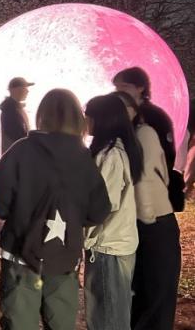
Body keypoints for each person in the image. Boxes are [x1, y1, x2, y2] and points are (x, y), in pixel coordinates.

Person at [0, 89, 110, 330]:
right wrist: (71, 220)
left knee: (19, 322)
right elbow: (99, 210)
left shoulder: (20, 150)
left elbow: (1, 204)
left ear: (42, 115)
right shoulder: (83, 157)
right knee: (61, 322)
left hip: (20, 252)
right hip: (64, 257)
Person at [111, 91, 181, 330]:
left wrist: (145, 217)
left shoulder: (141, 135)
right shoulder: (130, 138)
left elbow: (145, 179)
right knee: (148, 293)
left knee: (152, 293)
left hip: (149, 222)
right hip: (145, 223)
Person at [83, 94, 143, 330]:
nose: (85, 120)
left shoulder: (110, 154)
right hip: (115, 242)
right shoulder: (118, 149)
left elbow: (103, 204)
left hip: (108, 245)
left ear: (101, 119)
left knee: (107, 316)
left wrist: (83, 232)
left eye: (88, 115)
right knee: (112, 312)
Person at [0, 77, 33, 239]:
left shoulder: (13, 108)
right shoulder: (10, 110)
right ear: (15, 89)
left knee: (13, 188)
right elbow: (17, 134)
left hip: (15, 155)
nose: (27, 91)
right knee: (13, 189)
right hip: (15, 156)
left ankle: (1, 227)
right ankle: (1, 227)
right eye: (24, 87)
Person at [113, 67, 175, 169]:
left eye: (124, 86)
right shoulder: (119, 112)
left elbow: (167, 152)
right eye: (116, 87)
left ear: (140, 87)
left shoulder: (154, 115)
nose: (119, 90)